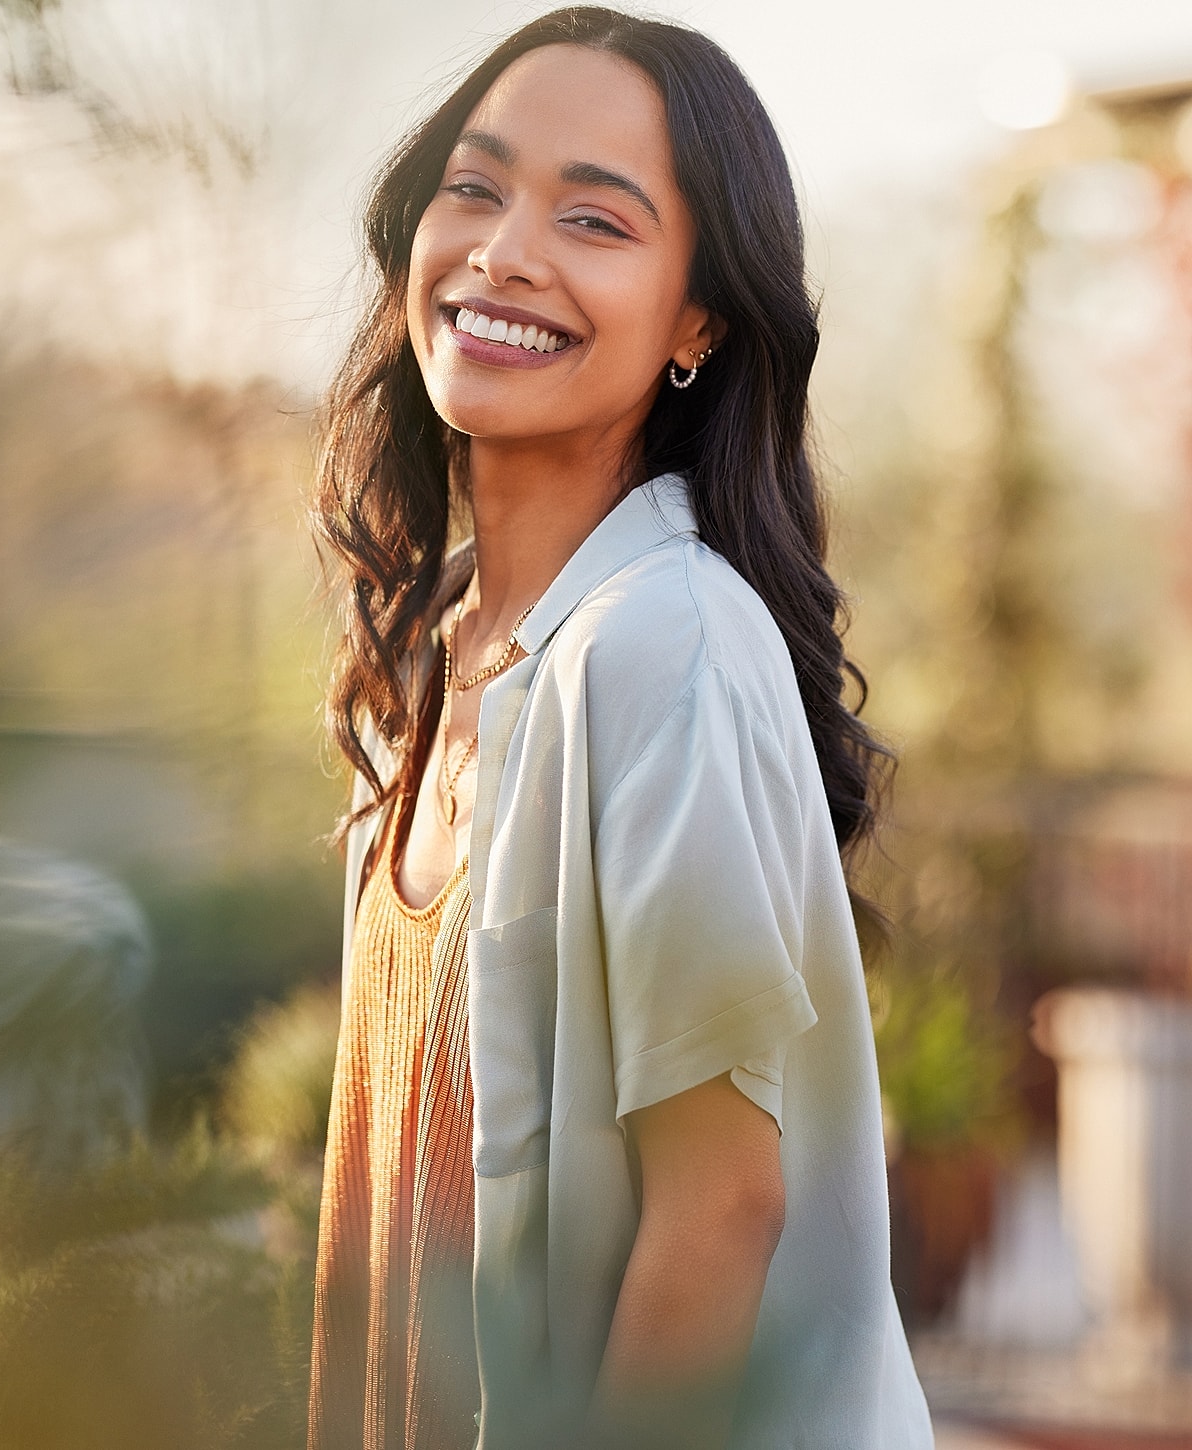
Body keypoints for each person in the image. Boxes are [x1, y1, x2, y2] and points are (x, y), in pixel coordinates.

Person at [307, 8, 934, 1449]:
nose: (504, 252)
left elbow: (719, 1211)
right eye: (475, 188)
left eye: (593, 219)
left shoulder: (664, 641)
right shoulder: (431, 646)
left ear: (698, 319)